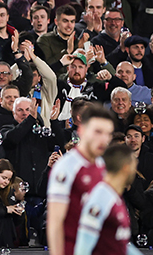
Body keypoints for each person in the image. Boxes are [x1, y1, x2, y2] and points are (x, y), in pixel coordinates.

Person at [47, 105, 116, 255]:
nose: (103, 138)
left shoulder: (103, 165)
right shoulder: (66, 167)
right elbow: (55, 222)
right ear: (82, 131)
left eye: (107, 133)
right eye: (98, 132)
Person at [74, 143, 142, 255]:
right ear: (126, 168)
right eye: (134, 165)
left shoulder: (113, 196)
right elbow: (83, 247)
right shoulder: (100, 198)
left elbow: (120, 245)